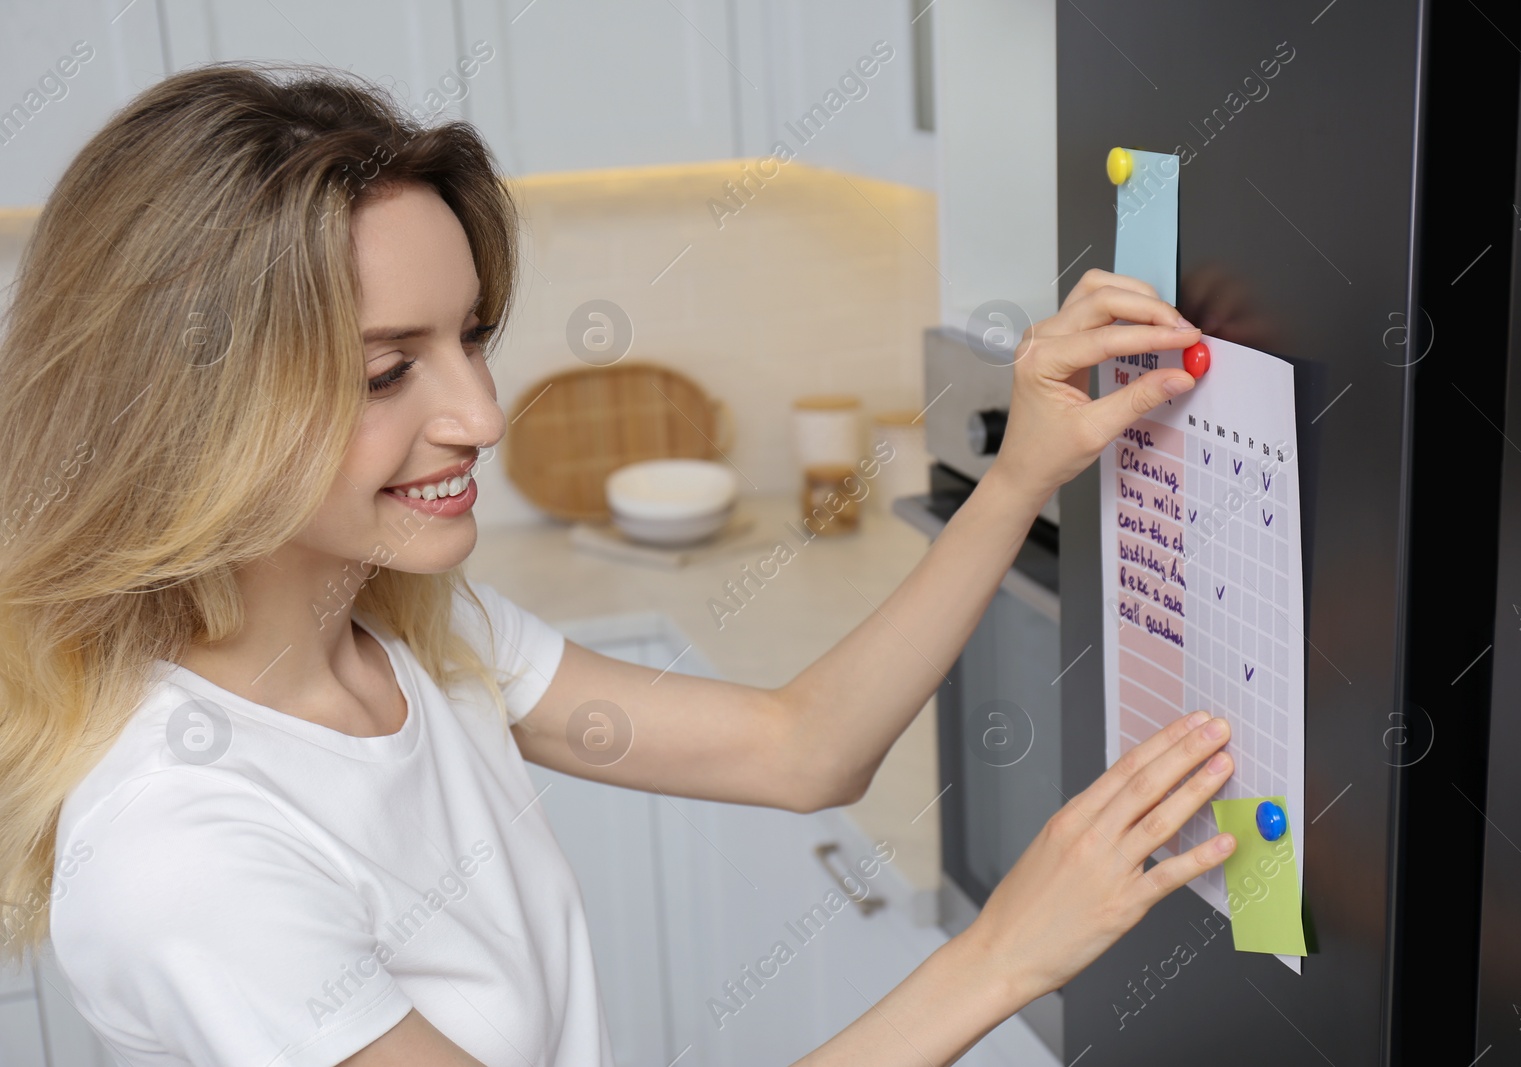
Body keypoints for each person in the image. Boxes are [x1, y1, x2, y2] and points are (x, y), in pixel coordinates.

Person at [0, 63, 1229, 1066]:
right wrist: (1001, 958)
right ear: (189, 407)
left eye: (471, 338)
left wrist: (1016, 475)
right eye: (388, 371)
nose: (482, 415)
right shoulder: (188, 850)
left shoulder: (414, 632)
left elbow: (801, 749)